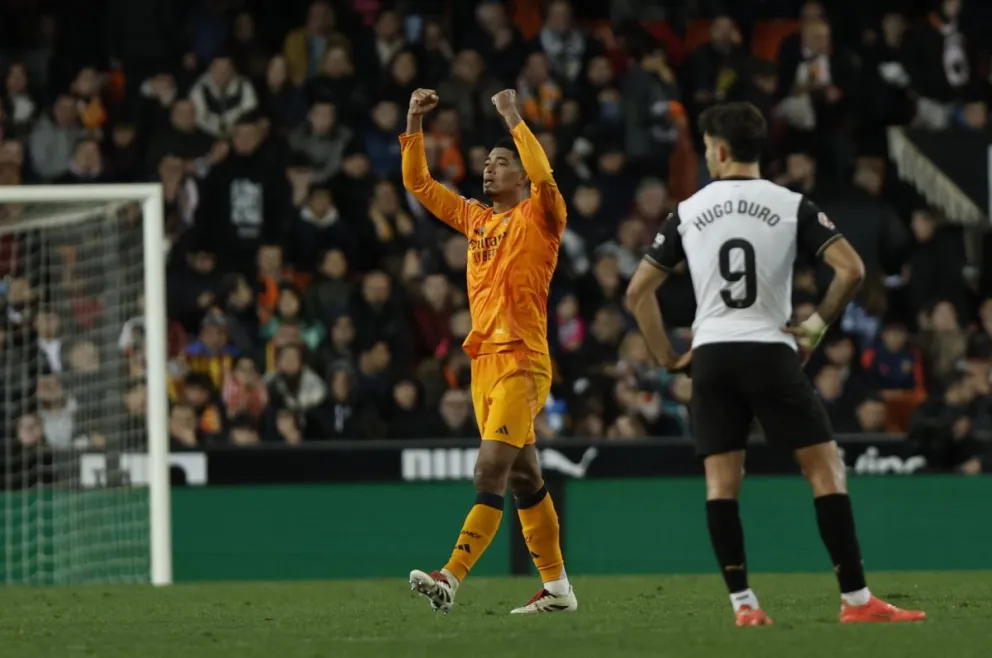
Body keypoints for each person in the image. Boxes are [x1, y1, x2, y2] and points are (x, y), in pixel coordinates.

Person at [624, 102, 926, 626]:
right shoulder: (791, 204)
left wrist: (668, 357)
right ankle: (857, 601)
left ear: (720, 150)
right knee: (825, 469)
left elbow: (637, 292)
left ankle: (744, 606)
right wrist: (817, 324)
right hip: (768, 348)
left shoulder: (688, 209)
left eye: (707, 148)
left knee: (722, 483)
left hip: (712, 354)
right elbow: (851, 269)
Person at [400, 87, 575, 614]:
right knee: (525, 476)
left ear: (522, 175)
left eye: (502, 163)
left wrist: (511, 115)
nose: (489, 169)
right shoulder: (476, 220)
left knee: (488, 471)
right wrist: (413, 121)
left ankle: (449, 578)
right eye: (487, 163)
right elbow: (418, 183)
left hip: (522, 359)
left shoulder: (542, 215)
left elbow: (545, 176)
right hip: (484, 363)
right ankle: (558, 590)